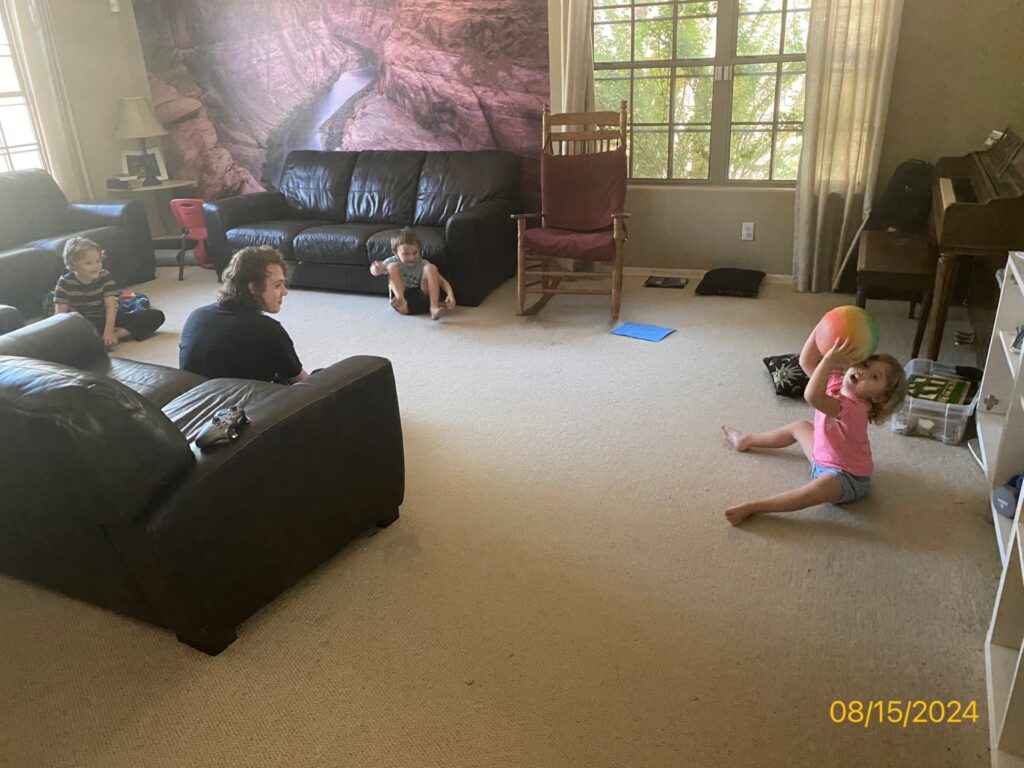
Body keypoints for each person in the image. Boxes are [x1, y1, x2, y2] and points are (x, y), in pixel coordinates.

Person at [721, 329, 908, 526]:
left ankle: (755, 507)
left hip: (846, 476)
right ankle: (745, 440)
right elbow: (806, 362)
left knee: (817, 490)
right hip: (822, 454)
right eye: (865, 364)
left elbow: (812, 397)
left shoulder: (854, 409)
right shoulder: (837, 381)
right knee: (800, 426)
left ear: (879, 397)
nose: (863, 371)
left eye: (874, 377)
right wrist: (822, 327)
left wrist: (828, 360)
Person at [179, 245, 309, 383]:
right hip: (243, 402)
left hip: (193, 399)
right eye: (277, 285)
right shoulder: (268, 330)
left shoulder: (196, 316)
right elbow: (302, 383)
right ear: (253, 288)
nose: (285, 292)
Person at [53, 237, 165, 349]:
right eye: (88, 263)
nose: (96, 266)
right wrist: (74, 318)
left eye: (98, 261)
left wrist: (109, 332)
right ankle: (101, 338)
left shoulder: (104, 276)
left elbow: (111, 306)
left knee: (156, 315)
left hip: (107, 317)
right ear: (74, 264)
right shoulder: (64, 282)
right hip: (86, 322)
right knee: (66, 333)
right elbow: (59, 317)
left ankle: (113, 337)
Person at [370, 228, 455, 320]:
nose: (411, 257)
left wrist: (450, 295)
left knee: (431, 268)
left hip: (423, 299)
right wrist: (375, 268)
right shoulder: (392, 261)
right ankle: (400, 299)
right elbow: (377, 270)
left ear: (419, 250)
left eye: (415, 253)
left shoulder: (423, 263)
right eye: (406, 254)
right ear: (395, 253)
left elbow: (442, 281)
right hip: (403, 303)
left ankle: (434, 308)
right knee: (392, 266)